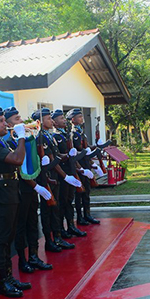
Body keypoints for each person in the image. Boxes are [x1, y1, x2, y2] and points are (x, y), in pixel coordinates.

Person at [0, 106, 31, 298]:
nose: (5, 124)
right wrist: (21, 137)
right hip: (3, 196)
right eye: (1, 121)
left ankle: (9, 277)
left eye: (4, 120)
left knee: (9, 238)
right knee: (2, 240)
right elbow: (17, 160)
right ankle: (3, 283)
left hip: (10, 192)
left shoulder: (1, 142)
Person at [3, 107, 53, 274]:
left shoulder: (27, 139)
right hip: (21, 189)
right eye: (17, 119)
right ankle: (22, 261)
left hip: (31, 189)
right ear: (9, 124)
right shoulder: (10, 143)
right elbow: (18, 167)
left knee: (32, 223)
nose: (21, 121)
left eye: (20, 118)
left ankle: (34, 256)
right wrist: (35, 186)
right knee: (21, 226)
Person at [34, 108, 81, 252]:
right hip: (47, 178)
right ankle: (50, 241)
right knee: (48, 211)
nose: (52, 121)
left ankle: (58, 237)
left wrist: (67, 155)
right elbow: (51, 161)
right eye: (48, 118)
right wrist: (65, 176)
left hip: (54, 177)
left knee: (55, 208)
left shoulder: (49, 136)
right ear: (40, 122)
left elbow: (56, 156)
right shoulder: (40, 138)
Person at [52, 110, 87, 238]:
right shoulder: (55, 136)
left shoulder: (65, 135)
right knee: (62, 201)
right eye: (61, 118)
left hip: (71, 170)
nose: (64, 120)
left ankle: (71, 225)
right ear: (55, 122)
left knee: (69, 200)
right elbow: (56, 155)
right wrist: (67, 156)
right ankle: (61, 229)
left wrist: (79, 168)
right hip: (63, 173)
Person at [69, 108, 100, 226]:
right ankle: (80, 217)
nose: (82, 118)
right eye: (79, 116)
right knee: (79, 193)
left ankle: (87, 214)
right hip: (80, 166)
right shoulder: (74, 133)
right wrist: (81, 168)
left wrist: (95, 147)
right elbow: (78, 150)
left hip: (86, 164)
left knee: (86, 192)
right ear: (73, 119)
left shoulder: (81, 132)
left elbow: (86, 148)